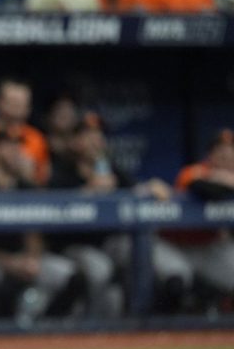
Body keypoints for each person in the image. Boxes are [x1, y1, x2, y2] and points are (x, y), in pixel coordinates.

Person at [47, 113, 191, 315]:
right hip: (74, 245)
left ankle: (142, 321)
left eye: (98, 135)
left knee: (145, 256)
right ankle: (85, 330)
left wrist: (151, 187)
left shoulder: (110, 169)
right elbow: (53, 212)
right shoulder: (62, 171)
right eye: (86, 135)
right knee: (99, 269)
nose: (94, 141)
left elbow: (136, 189)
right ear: (73, 141)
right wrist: (88, 192)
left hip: (109, 242)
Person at [0, 129, 81, 325]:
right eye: (9, 146)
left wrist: (31, 257)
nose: (16, 152)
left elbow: (34, 230)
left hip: (22, 257)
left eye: (18, 147)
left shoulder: (27, 187)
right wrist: (7, 262)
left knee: (71, 276)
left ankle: (46, 330)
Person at [161, 128, 234, 303]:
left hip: (209, 245)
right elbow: (201, 188)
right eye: (220, 151)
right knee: (176, 281)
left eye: (231, 151)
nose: (226, 155)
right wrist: (226, 182)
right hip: (175, 243)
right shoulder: (195, 171)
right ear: (210, 155)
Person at [0, 78, 50, 186]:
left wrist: (28, 175)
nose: (16, 108)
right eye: (12, 102)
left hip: (25, 199)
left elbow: (44, 181)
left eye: (21, 103)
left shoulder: (37, 139)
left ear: (29, 107)